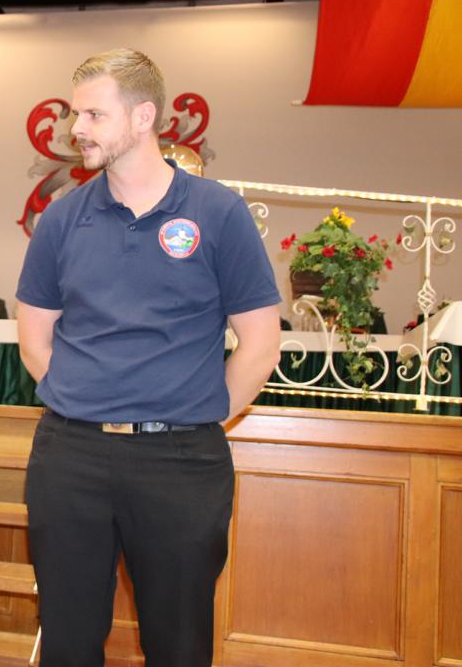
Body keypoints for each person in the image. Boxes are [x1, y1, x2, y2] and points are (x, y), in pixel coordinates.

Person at [15, 48, 281, 667]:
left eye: (93, 115)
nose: (75, 129)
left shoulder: (218, 212)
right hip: (70, 458)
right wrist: (88, 402)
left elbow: (260, 343)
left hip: (181, 463)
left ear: (143, 118)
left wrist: (194, 415)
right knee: (67, 643)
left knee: (178, 645)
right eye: (74, 114)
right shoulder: (61, 220)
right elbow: (34, 341)